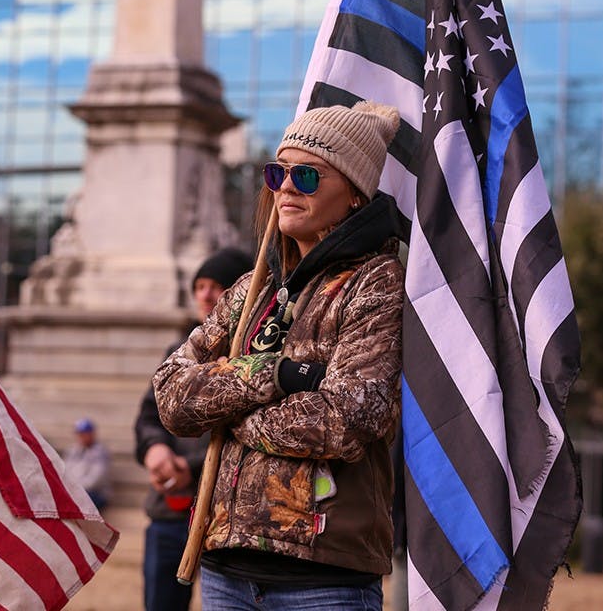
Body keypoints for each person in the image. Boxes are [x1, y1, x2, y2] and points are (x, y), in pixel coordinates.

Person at [153, 100, 404, 610]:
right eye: (278, 172)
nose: (286, 187)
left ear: (355, 194)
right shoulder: (250, 289)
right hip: (224, 571)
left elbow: (345, 420)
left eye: (308, 176)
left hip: (325, 578)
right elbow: (171, 396)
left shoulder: (378, 284)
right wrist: (281, 375)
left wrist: (225, 414)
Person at [135, 247, 253, 611]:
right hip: (170, 514)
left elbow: (251, 433)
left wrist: (195, 467)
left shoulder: (257, 356)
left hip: (229, 519)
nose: (205, 295)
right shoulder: (180, 351)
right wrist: (157, 450)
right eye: (199, 286)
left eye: (217, 286)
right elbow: (148, 416)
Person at [63, 417, 112, 511]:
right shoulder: (72, 450)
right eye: (79, 434)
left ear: (92, 434)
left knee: (76, 502)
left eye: (84, 434)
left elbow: (96, 480)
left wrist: (74, 488)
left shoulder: (100, 452)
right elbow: (65, 470)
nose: (81, 437)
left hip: (95, 493)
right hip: (74, 491)